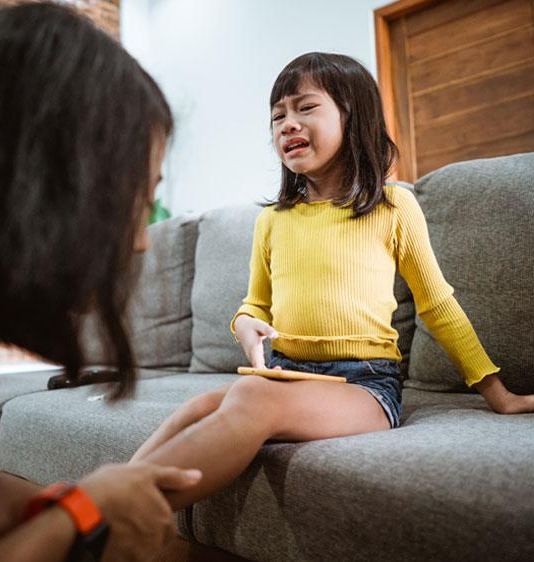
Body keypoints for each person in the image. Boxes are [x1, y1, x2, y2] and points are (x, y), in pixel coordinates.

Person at [129, 52, 534, 511]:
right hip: (285, 373)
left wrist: (498, 395)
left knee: (250, 399)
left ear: (353, 116)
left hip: (363, 386)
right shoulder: (273, 221)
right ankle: (103, 499)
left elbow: (438, 305)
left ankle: (121, 517)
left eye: (305, 107)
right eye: (277, 115)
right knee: (196, 408)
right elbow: (254, 305)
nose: (287, 124)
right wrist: (245, 325)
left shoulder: (393, 208)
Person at [0, 3, 202, 561]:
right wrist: (84, 517)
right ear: (65, 174)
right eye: (140, 197)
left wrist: (65, 503)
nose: (143, 241)